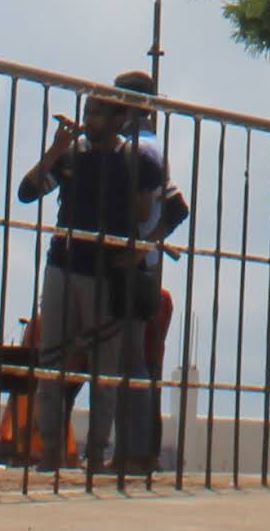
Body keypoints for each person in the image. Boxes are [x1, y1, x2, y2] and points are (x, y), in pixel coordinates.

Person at [15, 71, 187, 475]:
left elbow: (176, 209)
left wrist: (141, 247)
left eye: (97, 113)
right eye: (87, 112)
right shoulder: (72, 155)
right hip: (63, 264)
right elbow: (27, 192)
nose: (89, 121)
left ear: (119, 118)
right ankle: (51, 451)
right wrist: (54, 152)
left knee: (104, 368)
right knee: (52, 359)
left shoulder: (138, 159)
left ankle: (96, 451)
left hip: (105, 275)